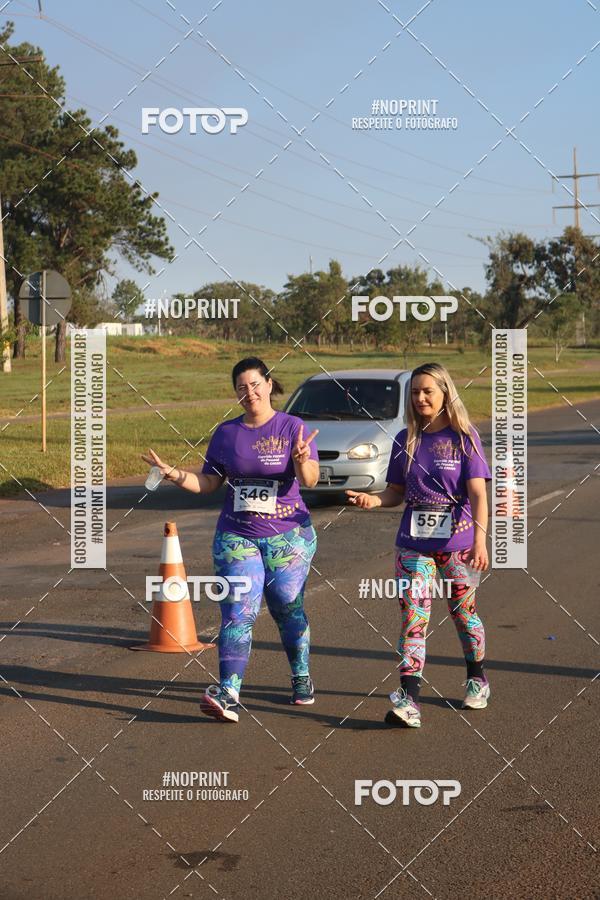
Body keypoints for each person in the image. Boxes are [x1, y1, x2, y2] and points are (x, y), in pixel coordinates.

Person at [143, 357, 319, 724]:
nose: (249, 392)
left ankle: (301, 676)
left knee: (287, 607)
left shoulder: (292, 427)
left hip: (288, 537)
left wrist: (302, 459)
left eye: (255, 384)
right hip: (236, 536)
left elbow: (311, 480)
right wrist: (175, 474)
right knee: (238, 611)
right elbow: (209, 483)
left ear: (270, 384)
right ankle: (229, 692)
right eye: (242, 387)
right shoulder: (226, 434)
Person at [346, 362, 491, 728]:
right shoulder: (405, 440)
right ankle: (410, 700)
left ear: (445, 393)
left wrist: (480, 541)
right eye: (414, 392)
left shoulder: (465, 438)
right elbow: (395, 492)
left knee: (463, 614)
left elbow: (478, 493)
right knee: (413, 619)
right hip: (414, 545)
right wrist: (373, 500)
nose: (421, 398)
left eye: (428, 391)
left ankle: (477, 677)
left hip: (458, 544)